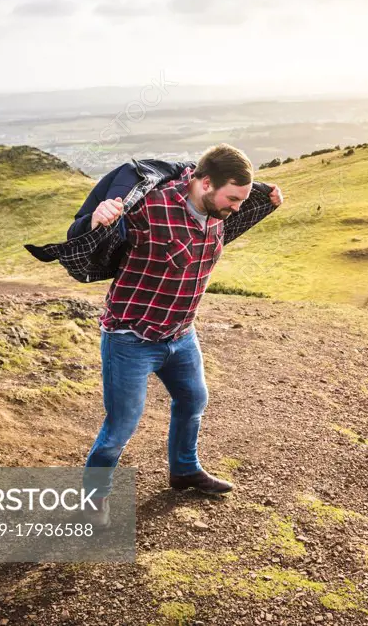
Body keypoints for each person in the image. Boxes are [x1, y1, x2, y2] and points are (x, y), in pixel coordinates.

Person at [80, 144, 283, 528]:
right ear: (204, 183)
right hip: (130, 337)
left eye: (241, 199)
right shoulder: (151, 206)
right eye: (232, 198)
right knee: (120, 426)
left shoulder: (217, 210)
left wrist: (266, 197)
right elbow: (96, 247)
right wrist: (98, 219)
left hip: (180, 334)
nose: (236, 207)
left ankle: (184, 470)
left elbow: (241, 204)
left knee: (193, 401)